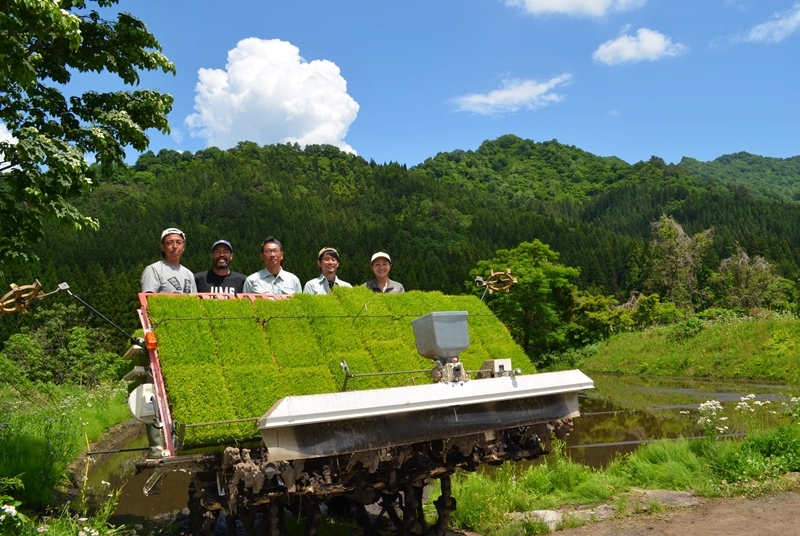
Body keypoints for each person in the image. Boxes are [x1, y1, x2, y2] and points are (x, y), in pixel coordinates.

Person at [141, 228, 196, 294]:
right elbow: (149, 298)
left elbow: (195, 299)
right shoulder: (154, 270)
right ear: (162, 247)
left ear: (184, 246)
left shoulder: (189, 274)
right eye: (170, 243)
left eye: (179, 242)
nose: (175, 246)